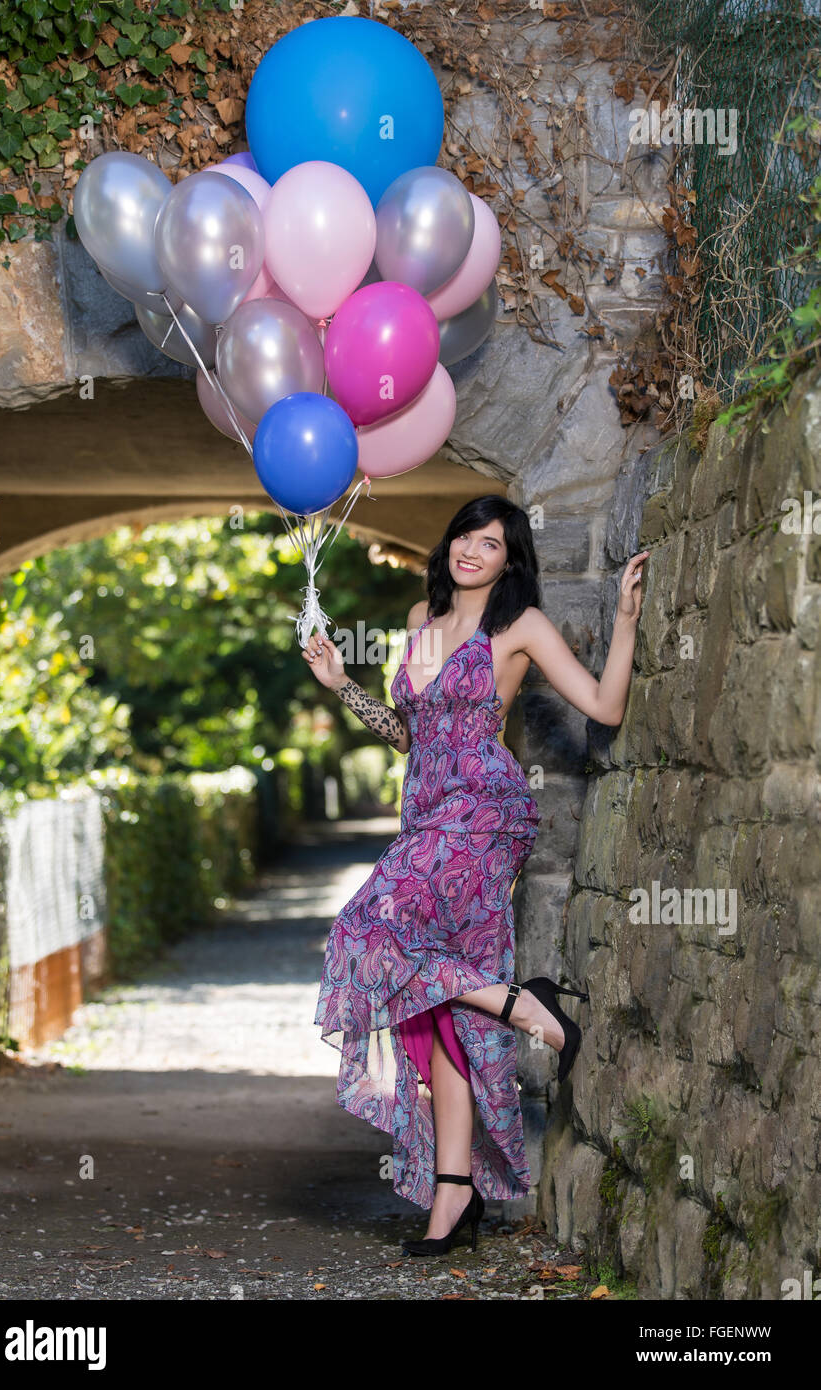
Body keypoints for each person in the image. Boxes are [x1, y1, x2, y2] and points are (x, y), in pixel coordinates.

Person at [302, 494, 648, 1256]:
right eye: (466, 534)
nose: (472, 550)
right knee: (439, 1003)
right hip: (426, 821)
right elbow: (407, 735)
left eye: (491, 544)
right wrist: (341, 685)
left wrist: (624, 623)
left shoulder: (516, 628)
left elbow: (603, 703)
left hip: (485, 815)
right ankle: (452, 1198)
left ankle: (530, 1011)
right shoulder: (419, 628)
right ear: (450, 544)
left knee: (365, 931)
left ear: (507, 561)